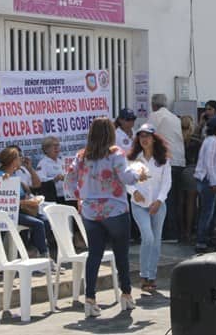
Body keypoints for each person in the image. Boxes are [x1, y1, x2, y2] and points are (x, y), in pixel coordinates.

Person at [64, 117, 148, 317]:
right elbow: (126, 177)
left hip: (91, 211)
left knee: (94, 255)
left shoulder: (82, 156)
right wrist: (140, 174)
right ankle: (126, 295)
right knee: (121, 254)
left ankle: (90, 299)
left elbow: (69, 178)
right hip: (115, 209)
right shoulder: (115, 153)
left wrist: (79, 197)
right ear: (110, 133)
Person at [0, 147, 58, 272]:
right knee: (38, 224)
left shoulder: (15, 174)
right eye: (18, 158)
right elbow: (3, 198)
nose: (20, 160)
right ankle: (44, 257)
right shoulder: (0, 175)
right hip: (10, 213)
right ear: (12, 160)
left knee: (45, 220)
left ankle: (34, 250)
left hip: (23, 209)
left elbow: (30, 189)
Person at [127, 123, 171, 292]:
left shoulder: (163, 160)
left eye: (147, 136)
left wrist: (159, 201)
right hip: (139, 205)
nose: (144, 139)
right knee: (148, 237)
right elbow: (127, 179)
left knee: (156, 241)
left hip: (158, 205)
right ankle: (144, 275)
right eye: (141, 136)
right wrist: (134, 191)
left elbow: (167, 183)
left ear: (154, 138)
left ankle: (151, 276)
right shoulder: (133, 158)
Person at [148, 94, 186, 241]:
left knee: (164, 197)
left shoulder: (155, 116)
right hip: (179, 161)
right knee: (175, 198)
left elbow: (147, 136)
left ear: (153, 105)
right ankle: (177, 232)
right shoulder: (175, 118)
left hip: (165, 162)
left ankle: (168, 233)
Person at [194, 116, 216, 253]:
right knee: (208, 212)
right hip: (209, 181)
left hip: (209, 181)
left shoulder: (210, 141)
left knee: (214, 210)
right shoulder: (213, 142)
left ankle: (207, 236)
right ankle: (201, 240)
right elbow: (210, 163)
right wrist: (214, 182)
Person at [179, 115, 202, 243]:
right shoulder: (197, 141)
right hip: (193, 171)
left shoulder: (178, 140)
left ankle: (181, 231)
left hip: (181, 170)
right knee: (191, 203)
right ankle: (189, 231)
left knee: (180, 202)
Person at [36, 136, 66, 204]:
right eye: (53, 146)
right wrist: (54, 179)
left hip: (65, 195)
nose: (56, 148)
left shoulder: (61, 161)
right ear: (46, 150)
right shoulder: (43, 163)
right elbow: (40, 180)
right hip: (54, 197)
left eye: (57, 145)